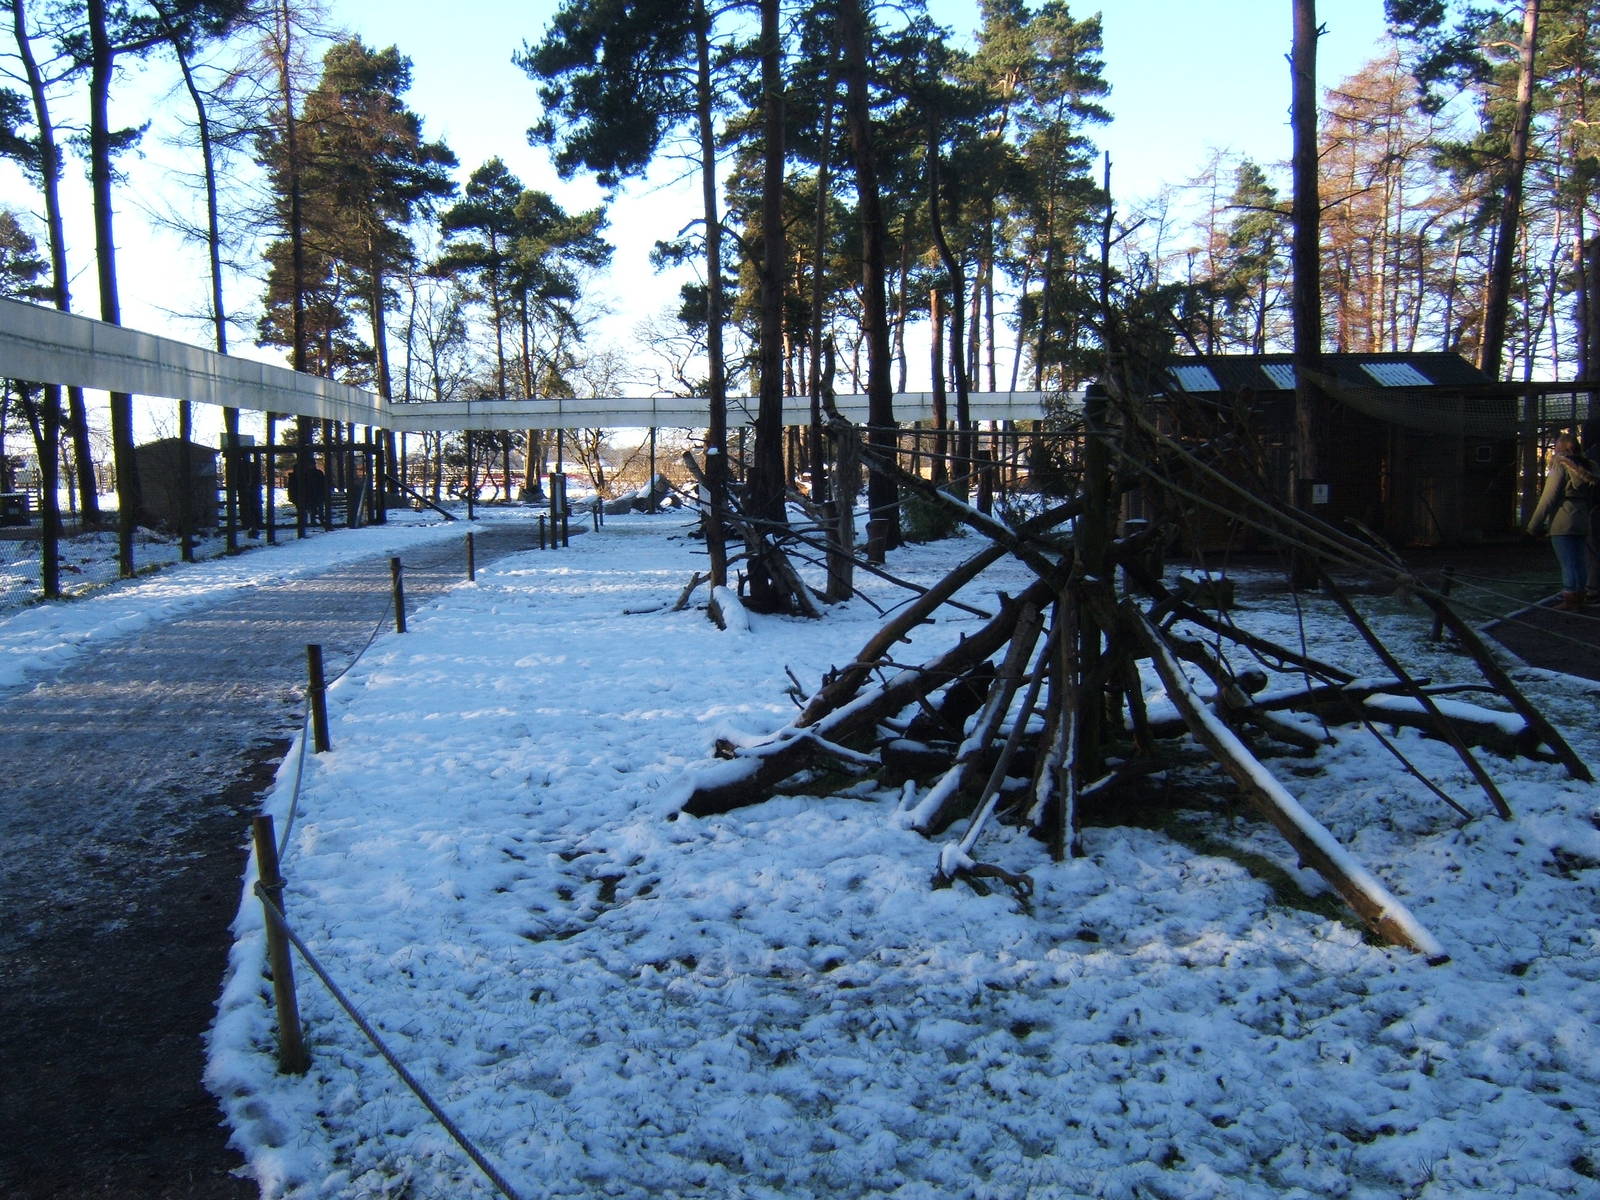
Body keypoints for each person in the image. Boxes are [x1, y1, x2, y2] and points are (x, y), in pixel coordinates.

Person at [1526, 431, 1599, 611]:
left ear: (1562, 447)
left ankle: (1570, 598)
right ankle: (1580, 595)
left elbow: (1548, 498)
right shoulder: (1591, 466)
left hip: (1563, 519)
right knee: (1580, 561)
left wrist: (1532, 527)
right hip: (1583, 518)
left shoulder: (1561, 465)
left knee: (1567, 562)